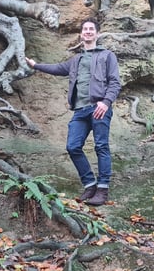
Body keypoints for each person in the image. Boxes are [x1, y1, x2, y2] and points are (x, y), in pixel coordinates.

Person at [26, 18, 121, 206]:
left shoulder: (107, 55)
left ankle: (102, 189)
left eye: (91, 29)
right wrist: (36, 65)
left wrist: (106, 102)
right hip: (80, 110)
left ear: (97, 33)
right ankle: (90, 184)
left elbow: (115, 82)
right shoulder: (76, 59)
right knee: (73, 146)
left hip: (99, 108)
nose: (87, 31)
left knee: (101, 146)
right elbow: (58, 68)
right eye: (84, 29)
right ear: (81, 34)